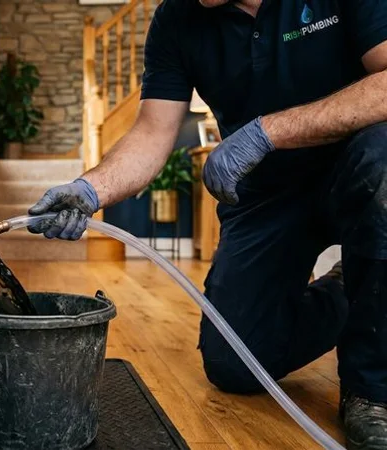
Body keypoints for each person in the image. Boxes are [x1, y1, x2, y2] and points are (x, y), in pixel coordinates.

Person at [27, 1, 387, 448]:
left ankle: (375, 391)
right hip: (265, 196)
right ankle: (346, 290)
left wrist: (267, 132)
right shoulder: (177, 19)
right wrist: (90, 189)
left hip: (359, 169)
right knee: (234, 363)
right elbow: (153, 132)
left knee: (383, 158)